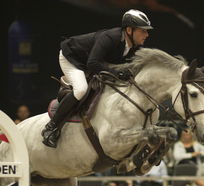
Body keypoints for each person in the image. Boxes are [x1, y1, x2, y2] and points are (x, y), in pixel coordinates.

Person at [42, 9, 153, 148]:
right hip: (71, 58)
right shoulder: (110, 37)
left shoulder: (132, 46)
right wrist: (117, 72)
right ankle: (51, 128)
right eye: (143, 30)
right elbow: (93, 63)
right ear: (130, 30)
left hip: (89, 62)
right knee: (81, 90)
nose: (147, 34)